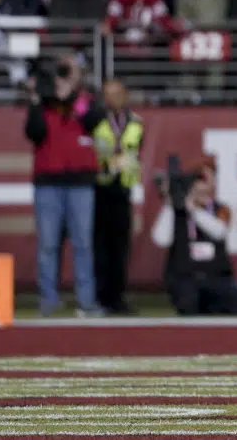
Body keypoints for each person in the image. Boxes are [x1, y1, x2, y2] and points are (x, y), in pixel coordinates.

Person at [23, 55, 105, 317]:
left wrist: (72, 94)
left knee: (83, 243)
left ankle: (86, 300)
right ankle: (48, 300)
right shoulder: (43, 104)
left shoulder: (85, 101)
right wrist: (37, 99)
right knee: (47, 244)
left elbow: (93, 121)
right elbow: (34, 133)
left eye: (65, 73)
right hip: (48, 182)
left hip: (80, 181)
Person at [150, 158, 237, 316]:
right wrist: (170, 203)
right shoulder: (175, 211)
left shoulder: (221, 209)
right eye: (198, 179)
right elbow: (160, 239)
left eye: (207, 179)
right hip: (185, 277)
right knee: (188, 304)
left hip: (215, 277)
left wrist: (194, 210)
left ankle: (211, 308)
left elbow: (219, 231)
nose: (202, 185)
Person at [92, 79, 143, 315]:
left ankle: (117, 296)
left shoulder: (136, 122)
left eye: (117, 94)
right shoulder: (97, 120)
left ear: (126, 95)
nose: (112, 99)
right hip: (100, 189)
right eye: (108, 94)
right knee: (100, 247)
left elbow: (134, 153)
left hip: (122, 190)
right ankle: (100, 296)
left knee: (120, 248)